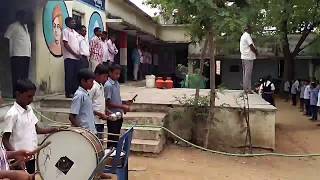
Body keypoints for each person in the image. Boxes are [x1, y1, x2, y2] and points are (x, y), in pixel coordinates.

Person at [2, 79, 58, 174]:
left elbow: (37, 129)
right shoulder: (12, 114)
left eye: (32, 96)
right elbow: (5, 140)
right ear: (18, 94)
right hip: (19, 159)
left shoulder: (30, 109)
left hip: (31, 156)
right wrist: (16, 155)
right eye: (29, 96)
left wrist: (53, 130)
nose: (31, 100)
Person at [4, 10, 31, 98]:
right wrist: (9, 51)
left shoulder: (25, 27)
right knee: (17, 76)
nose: (25, 18)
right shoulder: (13, 26)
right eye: (24, 16)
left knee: (24, 77)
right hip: (17, 55)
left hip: (26, 54)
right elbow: (6, 38)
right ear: (18, 17)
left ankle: (23, 94)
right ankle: (16, 95)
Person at [104, 65, 132, 147]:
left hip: (119, 114)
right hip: (112, 115)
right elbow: (107, 103)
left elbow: (116, 99)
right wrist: (122, 107)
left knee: (116, 137)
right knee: (112, 138)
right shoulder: (108, 85)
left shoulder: (116, 83)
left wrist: (124, 102)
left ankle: (115, 154)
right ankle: (111, 154)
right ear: (110, 73)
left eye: (119, 74)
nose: (118, 76)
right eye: (116, 74)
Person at [69, 69, 97, 134]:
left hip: (90, 130)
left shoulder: (86, 93)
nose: (92, 84)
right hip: (84, 131)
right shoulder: (79, 95)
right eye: (91, 81)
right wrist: (81, 131)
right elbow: (71, 116)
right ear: (83, 81)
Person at [89, 64, 110, 141]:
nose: (106, 79)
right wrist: (99, 114)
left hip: (100, 121)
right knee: (95, 141)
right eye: (104, 76)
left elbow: (100, 102)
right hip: (94, 121)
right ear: (97, 75)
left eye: (107, 77)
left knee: (100, 141)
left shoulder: (101, 86)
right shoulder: (93, 87)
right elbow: (88, 105)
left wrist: (106, 111)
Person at [63, 17, 81, 98]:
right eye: (72, 22)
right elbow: (66, 44)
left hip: (76, 58)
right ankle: (69, 92)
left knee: (75, 76)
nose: (74, 23)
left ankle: (74, 91)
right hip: (69, 57)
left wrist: (79, 53)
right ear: (67, 23)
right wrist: (74, 54)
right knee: (69, 76)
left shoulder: (75, 32)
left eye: (74, 22)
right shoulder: (65, 31)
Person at [240, 25, 258, 93]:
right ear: (248, 29)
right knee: (247, 74)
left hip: (244, 57)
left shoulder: (243, 36)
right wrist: (256, 52)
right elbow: (251, 46)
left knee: (246, 74)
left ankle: (248, 89)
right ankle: (246, 89)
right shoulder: (247, 36)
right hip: (248, 57)